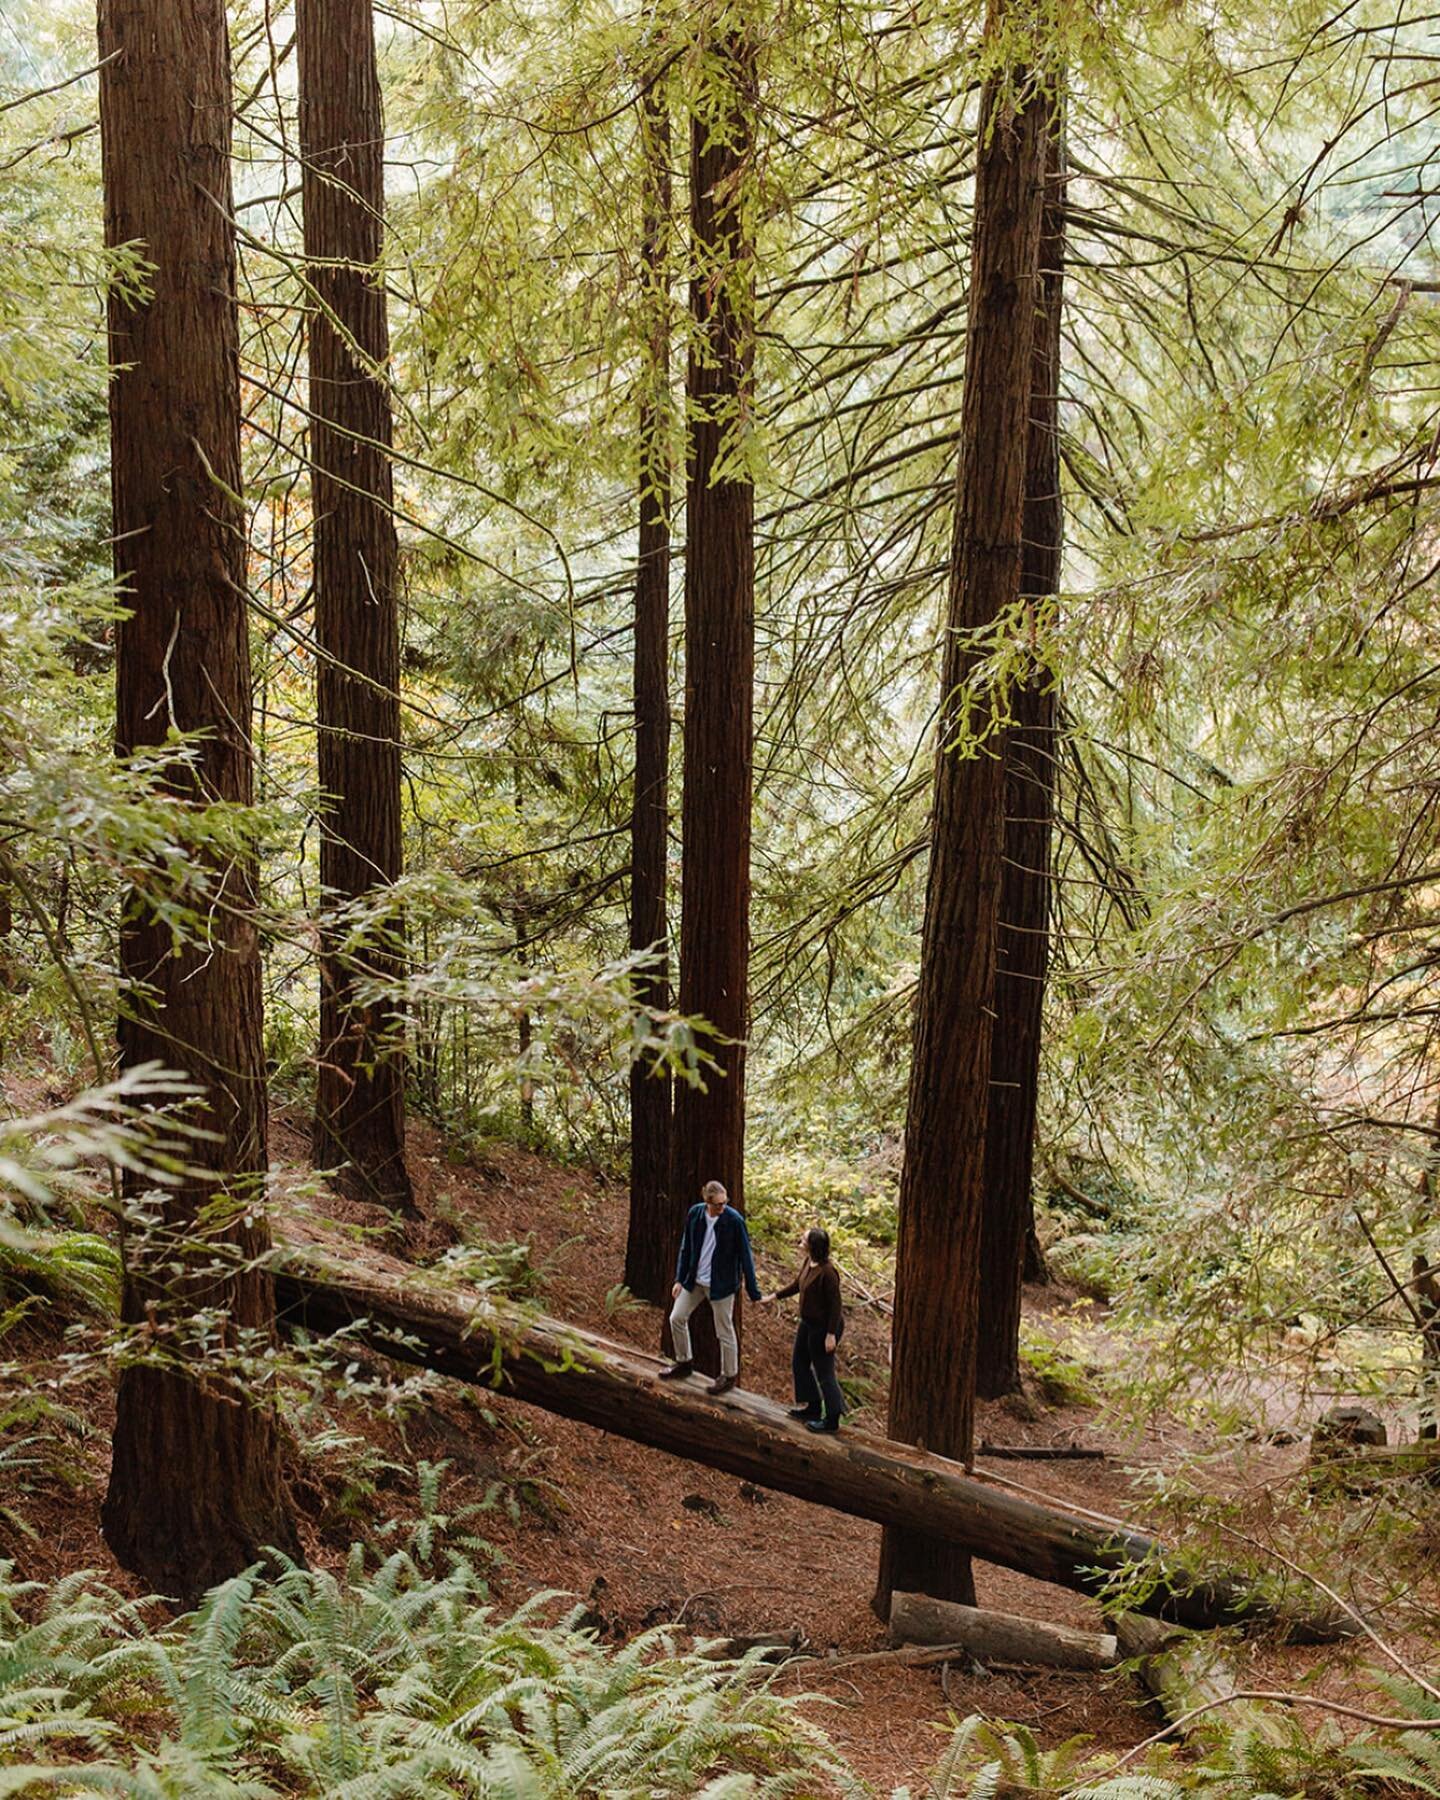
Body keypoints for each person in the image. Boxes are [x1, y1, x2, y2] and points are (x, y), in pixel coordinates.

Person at [658, 1179, 762, 1396]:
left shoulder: (734, 1221)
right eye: (718, 1204)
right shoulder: (696, 1214)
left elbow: (746, 1256)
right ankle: (684, 1362)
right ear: (707, 1202)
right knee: (676, 1317)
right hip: (695, 1280)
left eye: (725, 1203)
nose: (722, 1208)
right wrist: (679, 1279)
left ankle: (729, 1375)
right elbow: (686, 1248)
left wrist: (753, 1291)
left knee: (724, 1330)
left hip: (721, 1285)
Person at [763, 1226, 844, 1433]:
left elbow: (836, 1305)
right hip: (807, 1324)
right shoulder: (809, 1262)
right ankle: (812, 1407)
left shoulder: (828, 1273)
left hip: (824, 1328)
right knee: (799, 1362)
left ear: (813, 1246)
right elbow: (797, 1285)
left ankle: (832, 1419)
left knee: (825, 1372)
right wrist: (774, 1296)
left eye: (803, 1240)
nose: (800, 1242)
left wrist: (831, 1335)